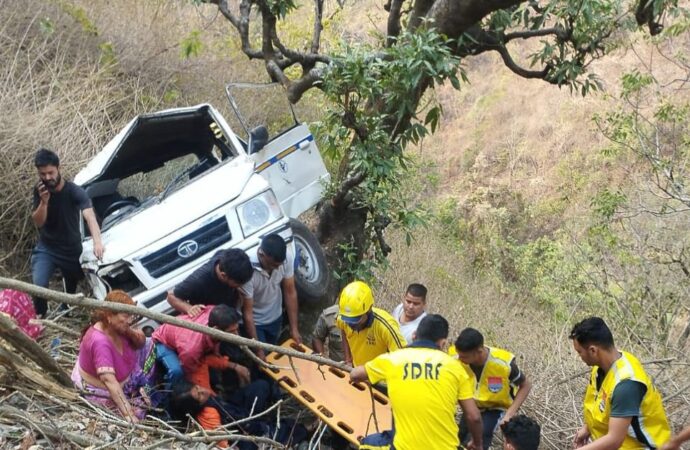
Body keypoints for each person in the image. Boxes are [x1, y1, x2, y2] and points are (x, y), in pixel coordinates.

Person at [351, 314, 483, 450]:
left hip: (404, 447)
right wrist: (477, 444)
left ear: (414, 335)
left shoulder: (393, 359)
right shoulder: (455, 367)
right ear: (443, 343)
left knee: (366, 443)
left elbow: (355, 375)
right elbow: (474, 416)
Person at [570, 317, 671, 449]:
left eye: (579, 352)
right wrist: (587, 428)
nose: (580, 357)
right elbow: (600, 407)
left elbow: (614, 440)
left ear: (593, 350)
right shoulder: (601, 367)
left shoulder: (626, 385)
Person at [31, 148, 104, 317]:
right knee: (39, 286)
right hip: (47, 247)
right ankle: (42, 317)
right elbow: (38, 221)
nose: (48, 178)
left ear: (59, 168)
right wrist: (44, 202)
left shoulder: (74, 191)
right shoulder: (40, 190)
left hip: (71, 248)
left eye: (50, 172)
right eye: (43, 174)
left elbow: (90, 217)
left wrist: (97, 242)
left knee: (72, 285)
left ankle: (66, 309)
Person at [72, 290, 154, 423]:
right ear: (109, 315)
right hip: (105, 388)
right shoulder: (100, 342)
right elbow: (109, 380)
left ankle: (144, 387)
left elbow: (141, 342)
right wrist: (128, 414)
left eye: (130, 316)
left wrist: (129, 332)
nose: (129, 320)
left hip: (129, 375)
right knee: (138, 413)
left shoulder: (118, 327)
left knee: (151, 345)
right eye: (126, 316)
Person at [454, 327, 532, 450]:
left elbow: (525, 385)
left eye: (464, 357)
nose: (459, 359)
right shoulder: (456, 359)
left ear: (479, 351)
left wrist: (509, 414)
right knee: (458, 439)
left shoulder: (503, 364)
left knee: (480, 436)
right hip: (471, 406)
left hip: (495, 409)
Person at [170, 380, 307, 450]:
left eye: (198, 387)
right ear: (195, 406)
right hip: (244, 434)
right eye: (199, 395)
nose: (203, 391)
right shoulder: (209, 415)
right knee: (291, 429)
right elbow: (222, 443)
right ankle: (307, 430)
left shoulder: (203, 396)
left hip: (234, 410)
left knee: (260, 387)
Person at [152, 304, 251, 391]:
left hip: (183, 338)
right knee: (177, 371)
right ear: (215, 330)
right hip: (162, 342)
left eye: (236, 329)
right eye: (231, 332)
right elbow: (190, 372)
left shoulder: (213, 311)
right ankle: (166, 394)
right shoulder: (191, 349)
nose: (236, 335)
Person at [240, 234, 300, 357]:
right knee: (263, 359)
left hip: (275, 316)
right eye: (273, 265)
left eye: (279, 265)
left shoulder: (286, 257)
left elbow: (290, 291)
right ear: (261, 255)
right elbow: (248, 313)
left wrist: (294, 329)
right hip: (256, 323)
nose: (278, 268)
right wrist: (258, 349)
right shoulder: (246, 269)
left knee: (273, 354)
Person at [335, 280, 406, 367]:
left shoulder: (385, 326)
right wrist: (348, 360)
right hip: (358, 372)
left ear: (369, 309)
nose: (350, 324)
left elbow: (402, 357)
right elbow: (343, 329)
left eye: (356, 319)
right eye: (348, 320)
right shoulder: (343, 319)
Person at [166, 248, 253, 317]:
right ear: (223, 275)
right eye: (238, 283)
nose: (242, 286)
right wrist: (189, 308)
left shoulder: (228, 257)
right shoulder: (198, 280)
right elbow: (171, 296)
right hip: (210, 319)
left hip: (229, 309)